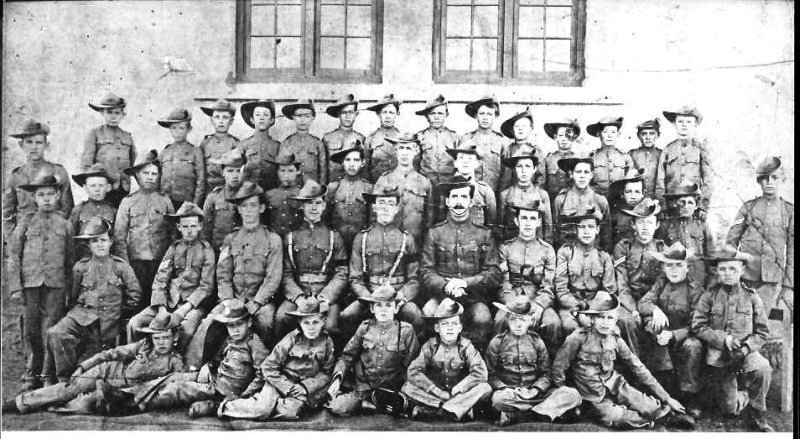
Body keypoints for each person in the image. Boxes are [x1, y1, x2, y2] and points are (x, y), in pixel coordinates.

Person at [551, 290, 695, 430]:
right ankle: (658, 420)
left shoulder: (615, 338)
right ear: (592, 319)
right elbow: (559, 368)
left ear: (615, 320)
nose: (605, 323)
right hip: (593, 397)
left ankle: (658, 414)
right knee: (617, 417)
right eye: (601, 317)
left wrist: (667, 398)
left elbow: (638, 367)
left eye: (610, 318)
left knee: (651, 408)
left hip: (617, 386)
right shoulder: (577, 338)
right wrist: (568, 399)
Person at [2, 309, 183, 415]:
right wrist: (83, 366)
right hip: (105, 371)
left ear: (174, 338)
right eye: (157, 338)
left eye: (165, 338)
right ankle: (17, 404)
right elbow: (109, 354)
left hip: (118, 391)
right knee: (69, 390)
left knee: (81, 406)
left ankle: (42, 404)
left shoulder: (174, 362)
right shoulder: (143, 345)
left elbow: (162, 389)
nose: (161, 343)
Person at [185, 181, 282, 366]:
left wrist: (257, 302)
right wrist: (228, 300)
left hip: (259, 301)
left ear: (261, 208)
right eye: (244, 206)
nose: (248, 211)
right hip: (234, 298)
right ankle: (195, 367)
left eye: (253, 205)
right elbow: (223, 274)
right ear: (238, 209)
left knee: (265, 321)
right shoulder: (231, 239)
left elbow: (273, 278)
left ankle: (263, 367)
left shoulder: (273, 239)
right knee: (209, 322)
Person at [119, 299, 269, 418]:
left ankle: (131, 404)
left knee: (176, 390)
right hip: (213, 378)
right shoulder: (230, 340)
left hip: (221, 390)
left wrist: (243, 397)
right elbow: (217, 359)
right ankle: (126, 393)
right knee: (172, 377)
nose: (235, 329)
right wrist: (207, 366)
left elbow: (262, 375)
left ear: (249, 323)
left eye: (239, 324)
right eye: (230, 325)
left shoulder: (255, 345)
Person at [46, 217, 140, 383]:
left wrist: (118, 312)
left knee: (94, 365)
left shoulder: (121, 267)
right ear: (88, 245)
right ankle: (63, 379)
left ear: (111, 241)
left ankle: (76, 381)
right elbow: (74, 296)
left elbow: (135, 295)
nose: (100, 245)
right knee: (56, 333)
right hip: (81, 316)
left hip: (107, 322)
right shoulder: (80, 267)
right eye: (94, 241)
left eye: (103, 240)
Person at [692, 247, 773, 432]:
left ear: (742, 270)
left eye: (732, 269)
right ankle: (743, 393)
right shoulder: (709, 296)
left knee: (763, 368)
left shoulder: (752, 297)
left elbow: (762, 332)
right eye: (723, 269)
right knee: (729, 409)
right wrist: (724, 340)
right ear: (716, 271)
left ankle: (756, 412)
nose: (727, 273)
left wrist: (746, 348)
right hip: (718, 355)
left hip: (745, 352)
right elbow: (698, 326)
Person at [7, 172, 75, 390]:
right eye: (41, 195)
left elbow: (70, 261)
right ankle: (31, 374)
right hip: (30, 285)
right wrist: (16, 287)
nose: (46, 199)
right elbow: (14, 256)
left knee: (51, 329)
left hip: (56, 286)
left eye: (51, 194)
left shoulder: (65, 225)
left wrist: (69, 290)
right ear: (34, 198)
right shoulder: (25, 223)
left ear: (58, 196)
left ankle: (47, 374)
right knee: (30, 330)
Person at [217, 296, 336, 420]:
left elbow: (327, 372)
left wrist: (306, 387)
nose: (311, 328)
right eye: (306, 322)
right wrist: (287, 387)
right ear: (300, 323)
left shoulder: (327, 342)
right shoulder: (291, 339)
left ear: (323, 321)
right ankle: (225, 407)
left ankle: (265, 405)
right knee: (263, 410)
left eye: (315, 322)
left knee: (290, 412)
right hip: (277, 383)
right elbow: (268, 367)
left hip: (302, 388)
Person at [420, 179, 502, 351]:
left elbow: (493, 272)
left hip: (473, 297)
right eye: (454, 197)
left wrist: (465, 283)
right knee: (428, 312)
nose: (459, 202)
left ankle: (472, 357)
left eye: (464, 197)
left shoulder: (484, 234)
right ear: (447, 201)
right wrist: (446, 285)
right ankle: (436, 357)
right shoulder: (434, 233)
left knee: (482, 318)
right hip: (442, 295)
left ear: (471, 202)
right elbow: (426, 271)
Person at [126, 202, 214, 353]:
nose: (189, 230)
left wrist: (184, 310)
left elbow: (206, 286)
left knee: (187, 329)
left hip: (193, 306)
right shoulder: (174, 248)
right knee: (134, 324)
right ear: (179, 227)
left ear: (200, 226)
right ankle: (137, 359)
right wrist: (161, 308)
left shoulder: (207, 251)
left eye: (193, 226)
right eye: (185, 226)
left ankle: (176, 361)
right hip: (168, 303)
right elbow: (160, 279)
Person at [341, 186, 425, 339]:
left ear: (397, 209)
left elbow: (414, 279)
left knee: (415, 315)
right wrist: (368, 297)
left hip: (397, 294)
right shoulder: (362, 238)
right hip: (370, 294)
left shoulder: (407, 239)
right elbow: (355, 278)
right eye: (381, 203)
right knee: (347, 315)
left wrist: (400, 296)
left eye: (390, 203)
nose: (385, 208)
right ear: (374, 207)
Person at [486, 296, 582, 426]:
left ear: (531, 320)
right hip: (512, 395)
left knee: (573, 394)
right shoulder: (497, 342)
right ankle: (543, 413)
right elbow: (490, 375)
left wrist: (535, 390)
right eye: (514, 319)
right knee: (498, 400)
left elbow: (546, 374)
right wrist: (505, 388)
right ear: (507, 319)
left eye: (523, 319)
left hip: (536, 394)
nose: (518, 324)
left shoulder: (537, 342)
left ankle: (523, 415)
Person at [726, 156, 793, 336]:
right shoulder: (748, 207)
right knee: (745, 327)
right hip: (747, 280)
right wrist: (741, 259)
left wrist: (788, 287)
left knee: (773, 328)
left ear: (783, 179)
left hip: (774, 284)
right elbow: (729, 244)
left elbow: (792, 252)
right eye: (765, 178)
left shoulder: (789, 211)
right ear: (759, 181)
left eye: (774, 177)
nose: (769, 182)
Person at [328, 286, 421, 417]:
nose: (383, 310)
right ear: (372, 309)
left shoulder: (406, 330)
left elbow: (413, 364)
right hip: (365, 387)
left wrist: (403, 389)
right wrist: (337, 379)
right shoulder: (365, 328)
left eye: (388, 305)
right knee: (337, 407)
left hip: (392, 388)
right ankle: (370, 403)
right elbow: (347, 357)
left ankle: (378, 405)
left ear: (396, 308)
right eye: (378, 305)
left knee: (411, 408)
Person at [637, 242, 705, 419]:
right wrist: (655, 310)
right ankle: (663, 396)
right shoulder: (661, 284)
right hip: (662, 335)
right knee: (653, 328)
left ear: (687, 268)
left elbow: (697, 324)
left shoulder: (695, 290)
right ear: (663, 268)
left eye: (679, 265)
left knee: (693, 346)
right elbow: (643, 303)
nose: (674, 270)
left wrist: (674, 335)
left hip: (685, 336)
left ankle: (689, 397)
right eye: (669, 266)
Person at [275, 180, 348, 341]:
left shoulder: (334, 236)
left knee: (330, 325)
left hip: (325, 291)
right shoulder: (291, 237)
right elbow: (285, 273)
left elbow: (342, 272)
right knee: (281, 318)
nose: (314, 208)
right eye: (309, 203)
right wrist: (298, 298)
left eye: (318, 203)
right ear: (302, 206)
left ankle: (330, 356)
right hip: (299, 291)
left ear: (324, 206)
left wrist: (326, 297)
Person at [401, 298, 493, 422]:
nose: (450, 328)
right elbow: (413, 372)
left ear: (460, 328)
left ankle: (435, 410)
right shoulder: (430, 347)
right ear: (437, 328)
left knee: (485, 388)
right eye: (444, 324)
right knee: (407, 387)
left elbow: (481, 373)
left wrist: (459, 388)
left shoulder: (466, 347)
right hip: (436, 393)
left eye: (454, 324)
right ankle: (451, 409)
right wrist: (435, 390)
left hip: (460, 394)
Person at [115, 150, 175, 316]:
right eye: (145, 173)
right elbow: (119, 237)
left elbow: (173, 235)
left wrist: (168, 263)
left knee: (157, 302)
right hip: (136, 263)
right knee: (136, 303)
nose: (150, 177)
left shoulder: (165, 200)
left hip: (160, 262)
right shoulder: (128, 202)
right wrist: (126, 267)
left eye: (154, 174)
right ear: (137, 175)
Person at [495, 203, 560, 353]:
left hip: (536, 299)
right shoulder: (505, 248)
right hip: (512, 298)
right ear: (517, 221)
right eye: (524, 218)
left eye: (532, 219)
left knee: (553, 323)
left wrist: (539, 306)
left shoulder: (547, 250)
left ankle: (548, 362)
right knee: (500, 320)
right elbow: (504, 282)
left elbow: (549, 284)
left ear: (538, 222)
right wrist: (512, 305)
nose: (528, 223)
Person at [3, 119, 73, 242]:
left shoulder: (58, 172)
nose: (34, 147)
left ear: (46, 145)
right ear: (21, 145)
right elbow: (7, 214)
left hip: (53, 237)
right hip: (24, 238)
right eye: (29, 142)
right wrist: (12, 240)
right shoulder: (14, 177)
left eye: (39, 142)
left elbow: (67, 208)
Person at [612, 197, 666, 353]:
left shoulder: (662, 249)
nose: (645, 227)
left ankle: (656, 367)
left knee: (658, 325)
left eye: (649, 222)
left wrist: (652, 308)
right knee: (626, 321)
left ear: (657, 225)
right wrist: (633, 309)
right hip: (628, 302)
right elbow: (621, 284)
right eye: (641, 222)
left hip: (652, 301)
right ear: (633, 225)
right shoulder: (623, 247)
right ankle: (633, 363)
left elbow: (661, 283)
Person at [554, 207, 616, 338]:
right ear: (575, 230)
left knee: (609, 331)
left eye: (591, 227)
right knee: (570, 327)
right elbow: (561, 290)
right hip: (570, 306)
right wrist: (579, 311)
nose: (586, 231)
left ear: (597, 230)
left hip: (597, 308)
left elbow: (608, 291)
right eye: (582, 227)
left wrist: (592, 312)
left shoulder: (604, 257)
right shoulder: (565, 253)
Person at [374, 133, 434, 247]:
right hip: (389, 244)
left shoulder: (424, 182)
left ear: (416, 151)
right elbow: (374, 215)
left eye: (409, 148)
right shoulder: (384, 180)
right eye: (401, 148)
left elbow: (429, 219)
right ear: (396, 151)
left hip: (415, 243)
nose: (404, 153)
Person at [656, 105, 713, 218]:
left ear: (695, 124)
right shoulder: (667, 150)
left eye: (688, 122)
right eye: (680, 121)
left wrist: (703, 206)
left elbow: (708, 180)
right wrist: (663, 206)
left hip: (693, 206)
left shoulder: (700, 149)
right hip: (672, 205)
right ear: (674, 124)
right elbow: (660, 181)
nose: (684, 125)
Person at [82, 93, 135, 207]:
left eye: (117, 113)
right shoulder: (95, 134)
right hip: (103, 188)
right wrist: (94, 185)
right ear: (102, 113)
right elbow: (86, 164)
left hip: (123, 188)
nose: (113, 116)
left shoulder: (127, 137)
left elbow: (132, 162)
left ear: (123, 115)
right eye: (109, 112)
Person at [657, 183, 714, 287]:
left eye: (690, 203)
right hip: (675, 277)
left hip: (698, 276)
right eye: (682, 202)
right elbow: (661, 256)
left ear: (696, 206)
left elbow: (711, 256)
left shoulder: (703, 226)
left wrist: (710, 284)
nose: (686, 206)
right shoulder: (666, 226)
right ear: (675, 204)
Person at [553, 156, 612, 252]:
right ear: (571, 174)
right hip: (568, 253)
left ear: (591, 175)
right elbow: (555, 232)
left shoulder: (600, 200)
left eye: (586, 172)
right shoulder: (561, 200)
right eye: (578, 172)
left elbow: (606, 235)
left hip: (593, 253)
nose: (582, 176)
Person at [326, 143, 373, 254]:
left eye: (356, 160)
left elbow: (373, 219)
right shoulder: (333, 187)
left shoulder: (369, 188)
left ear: (362, 163)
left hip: (361, 241)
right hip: (337, 242)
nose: (351, 164)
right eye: (348, 160)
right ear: (342, 162)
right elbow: (325, 216)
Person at [69, 163, 122, 260]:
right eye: (92, 185)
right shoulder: (78, 210)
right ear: (85, 187)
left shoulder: (114, 211)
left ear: (108, 187)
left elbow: (118, 240)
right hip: (83, 259)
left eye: (101, 185)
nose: (97, 189)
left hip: (107, 260)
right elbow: (70, 239)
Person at [436, 145, 496, 227]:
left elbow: (491, 221)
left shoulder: (485, 191)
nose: (465, 162)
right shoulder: (447, 189)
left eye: (470, 158)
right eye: (461, 158)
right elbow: (441, 219)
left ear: (476, 164)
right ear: (455, 163)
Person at [497, 153, 553, 242]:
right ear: (514, 169)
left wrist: (547, 246)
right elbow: (500, 227)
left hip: (536, 245)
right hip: (512, 246)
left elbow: (548, 227)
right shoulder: (505, 195)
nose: (523, 171)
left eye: (528, 166)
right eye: (519, 166)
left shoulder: (542, 195)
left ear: (534, 169)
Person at [158, 108, 205, 209]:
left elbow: (200, 182)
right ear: (170, 129)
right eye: (174, 128)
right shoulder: (165, 151)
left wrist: (194, 205)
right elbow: (158, 177)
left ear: (189, 129)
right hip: (165, 203)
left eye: (181, 128)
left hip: (186, 204)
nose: (177, 132)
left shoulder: (195, 152)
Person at [201, 149, 245, 255]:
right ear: (223, 172)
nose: (235, 175)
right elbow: (205, 232)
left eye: (238, 171)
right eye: (230, 171)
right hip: (218, 251)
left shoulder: (250, 197)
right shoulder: (213, 198)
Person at [460, 96, 506, 192]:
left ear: (495, 116)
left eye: (489, 114)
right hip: (471, 191)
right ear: (476, 116)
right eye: (482, 114)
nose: (485, 118)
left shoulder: (501, 141)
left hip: (494, 191)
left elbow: (506, 173)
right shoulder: (467, 139)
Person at [415, 94, 459, 188]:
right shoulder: (420, 136)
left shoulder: (454, 137)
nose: (436, 117)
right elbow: (415, 163)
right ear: (427, 116)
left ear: (446, 115)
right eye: (432, 113)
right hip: (426, 183)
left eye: (440, 113)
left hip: (449, 183)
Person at [238, 99, 281, 191]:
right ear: (252, 120)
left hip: (271, 193)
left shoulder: (278, 146)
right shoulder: (243, 145)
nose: (261, 118)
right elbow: (236, 172)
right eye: (257, 115)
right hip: (249, 194)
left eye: (266, 115)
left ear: (272, 120)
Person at [281, 98, 327, 184]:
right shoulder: (287, 143)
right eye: (299, 116)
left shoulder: (318, 144)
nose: (303, 120)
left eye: (307, 116)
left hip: (312, 187)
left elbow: (323, 171)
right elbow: (282, 169)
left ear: (312, 118)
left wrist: (321, 189)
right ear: (293, 117)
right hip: (293, 187)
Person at [499, 107, 545, 191]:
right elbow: (504, 177)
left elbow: (541, 177)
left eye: (524, 126)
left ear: (531, 129)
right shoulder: (508, 150)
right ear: (512, 130)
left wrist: (535, 192)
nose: (520, 129)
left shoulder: (536, 151)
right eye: (517, 126)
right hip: (511, 193)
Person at [587, 116, 634, 198]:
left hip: (619, 199)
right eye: (605, 132)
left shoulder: (625, 158)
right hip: (597, 199)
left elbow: (630, 182)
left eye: (613, 132)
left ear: (618, 134)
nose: (609, 136)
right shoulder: (592, 157)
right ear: (599, 134)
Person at [324, 94, 366, 182]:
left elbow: (364, 168)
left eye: (351, 112)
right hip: (332, 183)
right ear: (338, 114)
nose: (347, 116)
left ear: (356, 114)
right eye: (344, 112)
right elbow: (323, 167)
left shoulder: (361, 139)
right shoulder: (327, 138)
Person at [199, 99, 239, 193]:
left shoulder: (235, 143)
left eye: (225, 117)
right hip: (207, 190)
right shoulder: (205, 143)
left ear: (231, 121)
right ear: (212, 120)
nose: (221, 121)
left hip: (226, 190)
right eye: (217, 117)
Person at [263, 152, 303, 238]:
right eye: (282, 171)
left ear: (298, 171)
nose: (286, 175)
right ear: (277, 172)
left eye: (290, 171)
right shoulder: (269, 195)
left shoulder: (303, 194)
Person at [364, 94, 402, 183]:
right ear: (378, 114)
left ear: (397, 114)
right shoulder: (371, 139)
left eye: (391, 112)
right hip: (377, 185)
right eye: (384, 112)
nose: (388, 116)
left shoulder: (402, 138)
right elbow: (365, 169)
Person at [542, 118, 580, 203]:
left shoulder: (578, 160)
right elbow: (542, 185)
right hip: (552, 203)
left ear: (574, 137)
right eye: (561, 135)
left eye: (568, 135)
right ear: (555, 137)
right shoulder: (548, 160)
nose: (564, 139)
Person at [608, 168, 645, 245]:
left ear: (643, 194)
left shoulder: (648, 214)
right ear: (622, 193)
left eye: (637, 192)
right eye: (628, 192)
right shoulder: (615, 216)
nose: (633, 196)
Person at [628, 119, 662, 199]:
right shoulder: (631, 154)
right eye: (644, 134)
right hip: (636, 198)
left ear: (658, 135)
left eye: (652, 134)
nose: (648, 137)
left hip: (657, 199)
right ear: (638, 136)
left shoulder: (662, 154)